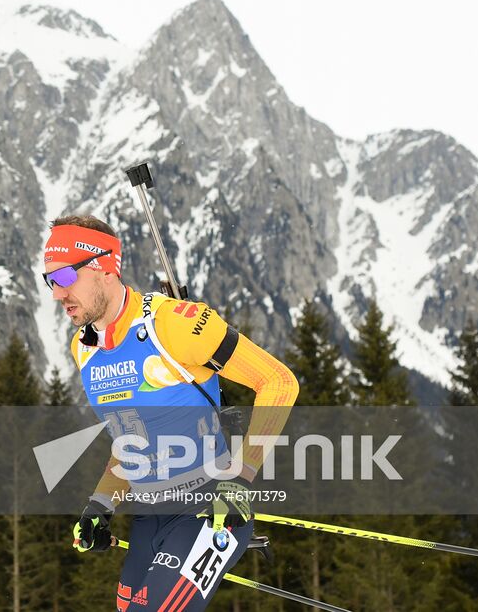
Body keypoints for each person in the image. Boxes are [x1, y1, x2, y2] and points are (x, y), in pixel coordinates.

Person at [44, 214, 299, 612]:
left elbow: (279, 382)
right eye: (49, 281)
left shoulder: (174, 325)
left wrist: (241, 478)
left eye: (62, 278)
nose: (57, 294)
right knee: (130, 606)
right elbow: (130, 440)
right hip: (149, 515)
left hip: (209, 509)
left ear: (103, 268)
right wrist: (101, 505)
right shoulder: (85, 348)